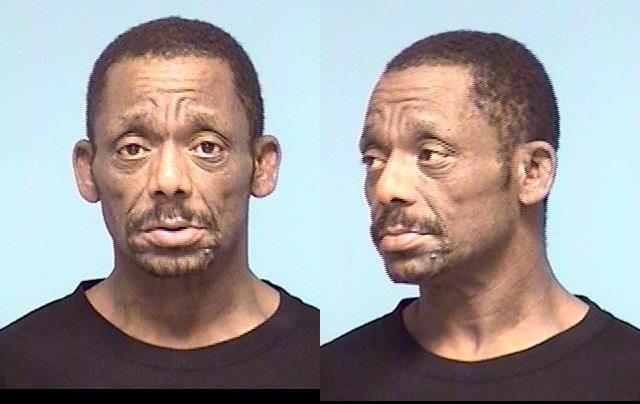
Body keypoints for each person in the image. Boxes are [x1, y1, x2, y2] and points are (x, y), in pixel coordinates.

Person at [0, 16, 318, 389]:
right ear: (87, 171)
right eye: (133, 148)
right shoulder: (15, 366)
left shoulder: (321, 361)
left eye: (207, 147)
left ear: (262, 166)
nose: (169, 181)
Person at [321, 30, 640, 400]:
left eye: (430, 154)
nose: (386, 187)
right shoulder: (331, 376)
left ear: (532, 172)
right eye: (374, 159)